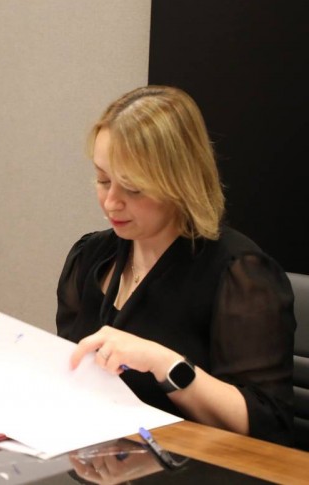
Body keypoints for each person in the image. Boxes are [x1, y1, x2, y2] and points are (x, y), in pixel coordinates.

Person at [57, 85, 295, 445]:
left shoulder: (239, 273)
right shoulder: (91, 256)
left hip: (194, 464)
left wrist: (162, 363)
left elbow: (269, 425)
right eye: (103, 180)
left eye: (133, 188)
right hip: (105, 454)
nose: (111, 202)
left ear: (178, 182)